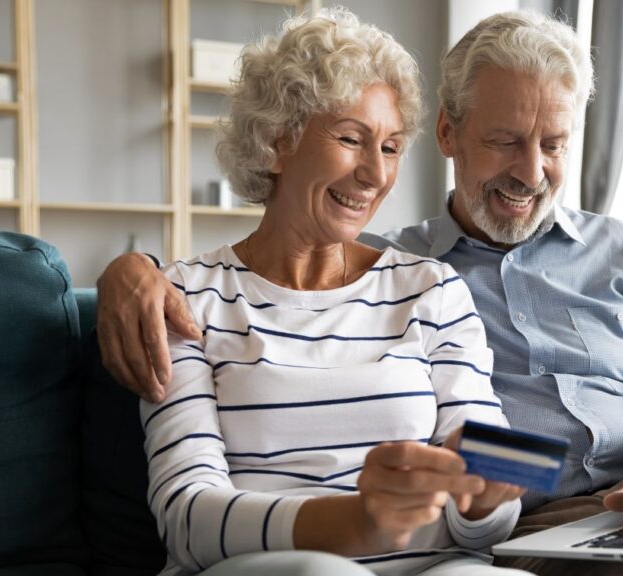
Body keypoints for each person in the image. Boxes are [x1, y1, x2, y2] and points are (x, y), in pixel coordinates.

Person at [99, 10, 623, 576]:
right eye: (505, 142)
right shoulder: (387, 266)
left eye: (553, 144)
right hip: (553, 523)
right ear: (450, 137)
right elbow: (195, 500)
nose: (530, 171)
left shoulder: (463, 280)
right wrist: (125, 270)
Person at [136, 9, 531, 576]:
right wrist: (356, 523)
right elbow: (186, 516)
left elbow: (488, 528)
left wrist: (490, 493)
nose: (375, 174)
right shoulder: (187, 298)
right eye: (351, 139)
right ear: (277, 142)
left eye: (391, 147)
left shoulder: (431, 290)